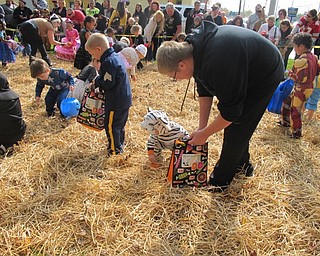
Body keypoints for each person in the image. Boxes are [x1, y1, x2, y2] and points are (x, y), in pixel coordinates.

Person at [156, 20, 284, 190]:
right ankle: (243, 166)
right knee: (237, 124)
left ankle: (220, 181)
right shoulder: (194, 51)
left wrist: (206, 134)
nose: (175, 80)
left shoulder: (218, 62)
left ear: (181, 65)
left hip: (265, 73)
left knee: (237, 126)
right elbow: (204, 90)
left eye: (173, 76)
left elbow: (231, 112)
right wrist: (201, 129)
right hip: (242, 64)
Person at [85, 33, 132, 156]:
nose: (93, 56)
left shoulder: (108, 62)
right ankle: (119, 145)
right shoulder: (115, 56)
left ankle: (114, 151)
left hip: (115, 101)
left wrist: (96, 81)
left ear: (98, 49)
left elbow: (108, 83)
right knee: (119, 125)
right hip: (124, 98)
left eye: (92, 54)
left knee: (111, 126)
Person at [281, 33, 319, 138]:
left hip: (301, 88)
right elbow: (317, 72)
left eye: (295, 46)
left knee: (295, 110)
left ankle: (296, 132)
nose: (294, 49)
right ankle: (285, 122)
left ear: (301, 46)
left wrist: (290, 74)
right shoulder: (314, 57)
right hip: (309, 87)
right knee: (287, 101)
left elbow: (299, 78)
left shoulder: (300, 61)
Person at [0, 72, 26, 156]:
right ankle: (8, 145)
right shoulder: (14, 96)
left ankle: (3, 146)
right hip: (19, 132)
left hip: (4, 136)